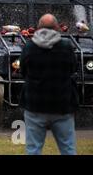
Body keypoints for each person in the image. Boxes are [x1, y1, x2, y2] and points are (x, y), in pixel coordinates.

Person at [20, 14, 78, 155]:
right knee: (68, 148)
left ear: (38, 28)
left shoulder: (29, 47)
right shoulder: (66, 47)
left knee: (33, 149)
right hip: (62, 105)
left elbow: (23, 71)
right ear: (57, 28)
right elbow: (73, 69)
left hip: (35, 106)